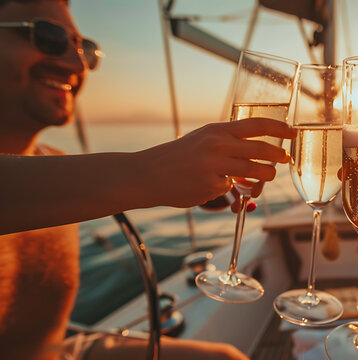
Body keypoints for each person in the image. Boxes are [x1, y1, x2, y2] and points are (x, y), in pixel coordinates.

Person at [0, 0, 293, 359]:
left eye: (85, 48)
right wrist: (153, 172)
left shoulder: (55, 163)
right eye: (49, 37)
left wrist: (202, 185)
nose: (77, 64)